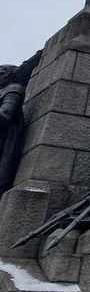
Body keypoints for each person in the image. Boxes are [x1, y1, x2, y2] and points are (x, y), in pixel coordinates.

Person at [0, 64, 25, 195]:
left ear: (12, 76)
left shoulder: (13, 89)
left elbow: (5, 118)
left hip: (5, 142)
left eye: (2, 73)